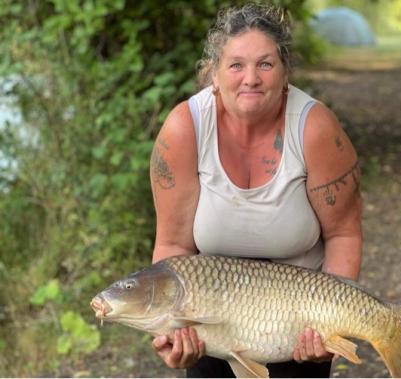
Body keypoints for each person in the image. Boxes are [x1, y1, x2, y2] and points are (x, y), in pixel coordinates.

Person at [149, 3, 362, 378]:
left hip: (299, 322)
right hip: (209, 317)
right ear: (213, 73)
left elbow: (344, 233)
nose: (251, 78)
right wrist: (171, 332)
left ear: (284, 74)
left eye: (265, 64)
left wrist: (330, 328)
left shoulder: (316, 128)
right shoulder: (185, 129)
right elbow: (173, 245)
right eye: (236, 65)